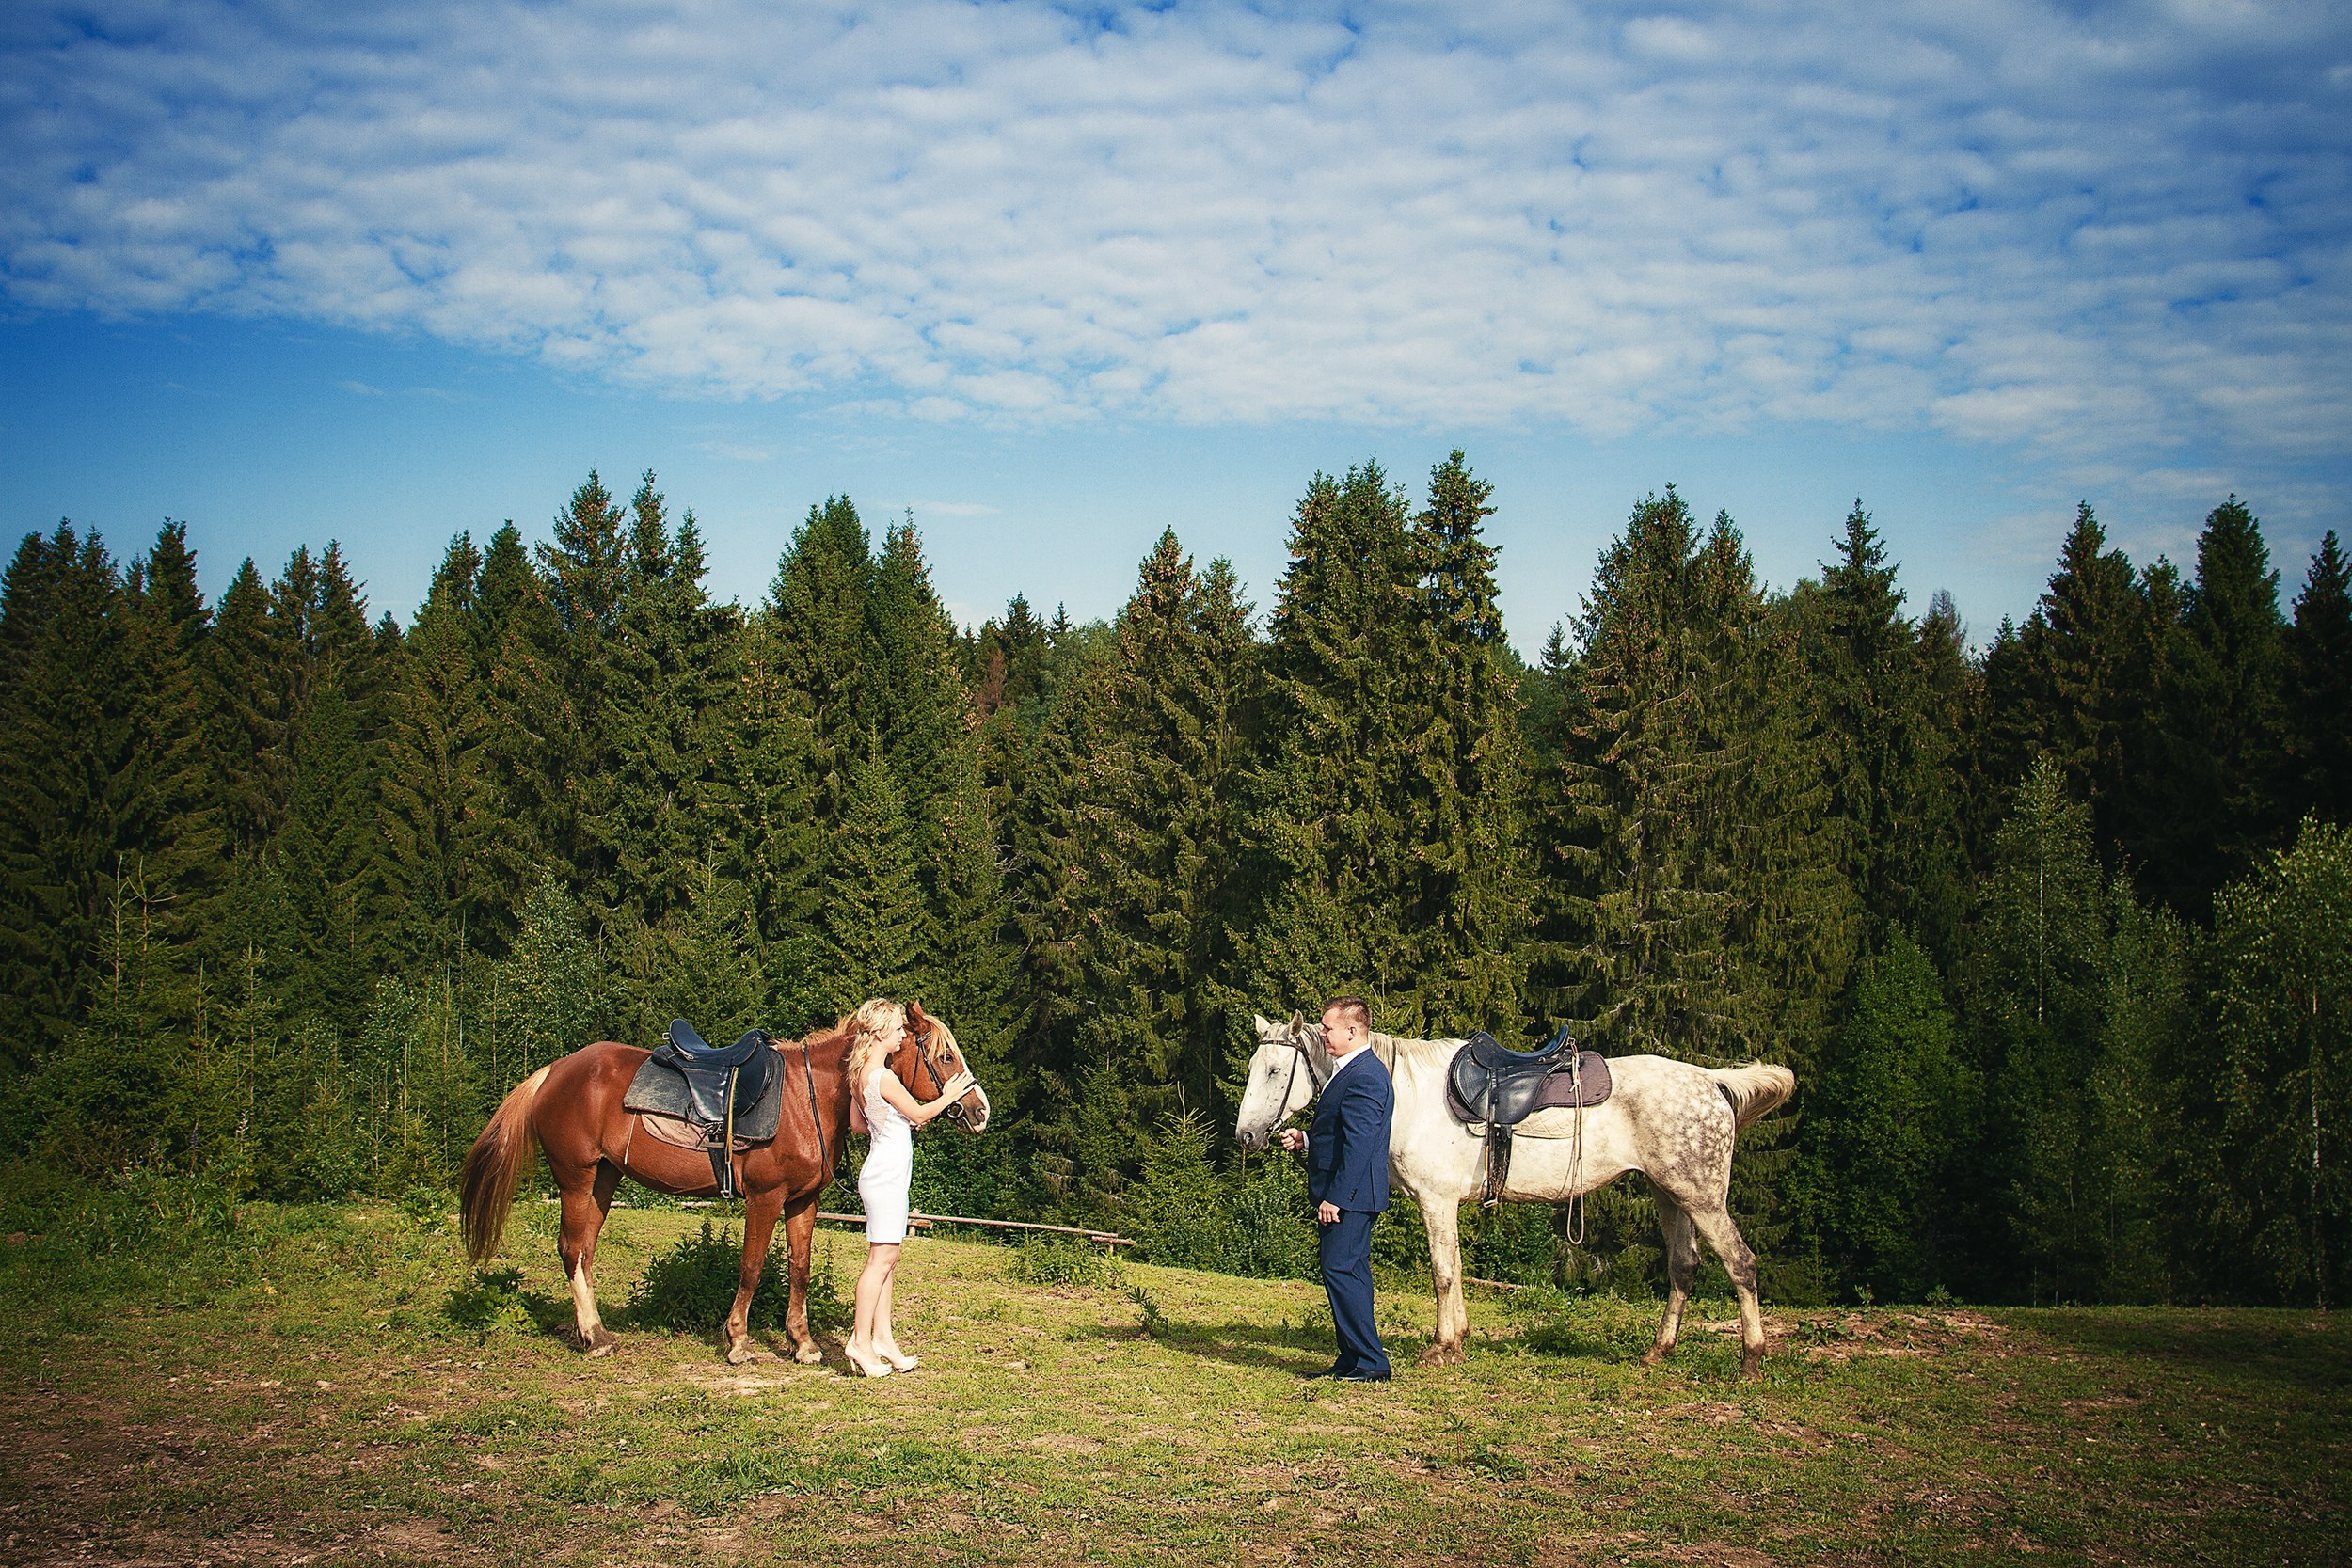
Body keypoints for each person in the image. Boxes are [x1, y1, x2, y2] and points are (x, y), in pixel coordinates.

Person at [843, 997, 977, 1378]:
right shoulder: (884, 1077)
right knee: (879, 1262)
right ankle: (860, 1341)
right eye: (898, 1028)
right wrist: (949, 1096)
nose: (903, 1034)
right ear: (881, 1032)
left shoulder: (861, 1075)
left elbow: (858, 1124)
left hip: (882, 1168)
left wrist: (895, 1123)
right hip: (886, 1174)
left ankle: (882, 1338)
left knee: (887, 1259)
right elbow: (919, 1111)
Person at [1277, 994, 1395, 1382]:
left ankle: (1371, 1362)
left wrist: (1336, 1198)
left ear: (1352, 1030)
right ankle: (1352, 1359)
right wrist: (1307, 1139)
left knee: (1340, 1270)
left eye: (1327, 1028)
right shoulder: (1352, 1071)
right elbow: (1344, 1135)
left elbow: (1360, 1146)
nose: (1322, 1033)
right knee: (1349, 1272)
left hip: (1352, 1196)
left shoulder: (1364, 1075)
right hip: (1353, 1193)